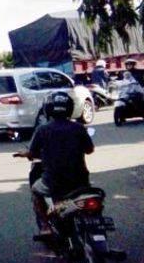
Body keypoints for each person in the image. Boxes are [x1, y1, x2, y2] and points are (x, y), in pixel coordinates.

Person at [14, 91, 95, 236]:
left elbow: (32, 153)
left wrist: (24, 153)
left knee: (35, 191)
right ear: (70, 108)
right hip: (81, 182)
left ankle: (45, 226)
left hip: (54, 182)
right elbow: (89, 150)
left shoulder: (43, 130)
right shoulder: (79, 128)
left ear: (48, 109)